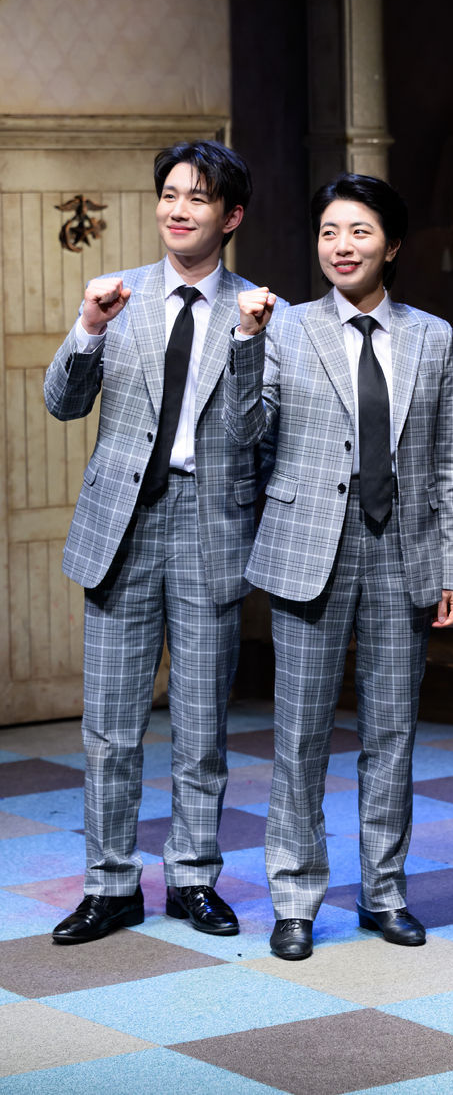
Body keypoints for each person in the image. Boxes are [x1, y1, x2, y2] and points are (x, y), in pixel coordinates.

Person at [224, 173, 453, 961]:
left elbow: (447, 462)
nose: (341, 246)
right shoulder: (286, 328)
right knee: (300, 735)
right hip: (309, 546)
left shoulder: (432, 336)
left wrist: (452, 566)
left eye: (359, 231)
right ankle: (295, 901)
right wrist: (245, 343)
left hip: (404, 547)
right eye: (329, 231)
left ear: (391, 245)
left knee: (391, 733)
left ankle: (384, 893)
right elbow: (244, 433)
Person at [44, 140, 267, 943]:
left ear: (229, 217)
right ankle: (109, 885)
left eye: (197, 197)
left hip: (211, 523)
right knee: (109, 725)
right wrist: (88, 328)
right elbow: (63, 402)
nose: (178, 209)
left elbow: (257, 433)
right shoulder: (120, 296)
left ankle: (193, 879)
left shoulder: (258, 311)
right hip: (123, 526)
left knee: (202, 724)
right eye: (170, 194)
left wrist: (249, 346)